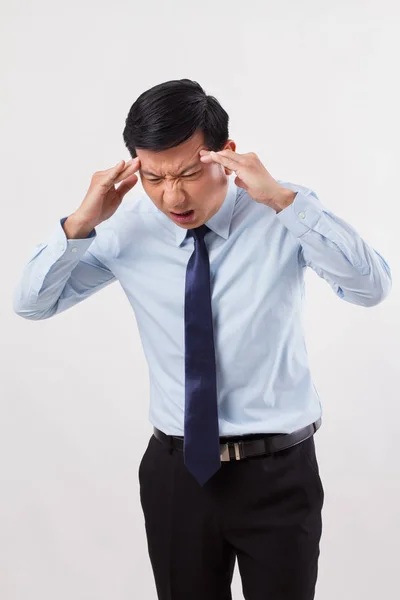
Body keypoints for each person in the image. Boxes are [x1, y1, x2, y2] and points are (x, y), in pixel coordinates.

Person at [13, 78, 392, 600]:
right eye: (153, 177)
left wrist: (284, 200)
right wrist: (82, 221)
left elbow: (370, 288)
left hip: (279, 475)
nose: (173, 195)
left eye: (189, 172)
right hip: (177, 478)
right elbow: (33, 303)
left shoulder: (284, 215)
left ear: (226, 155)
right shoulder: (125, 230)